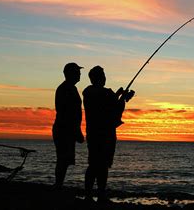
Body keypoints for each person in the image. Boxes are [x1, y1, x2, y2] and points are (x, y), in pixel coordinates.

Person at [83, 66, 134, 204]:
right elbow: (114, 108)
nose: (105, 78)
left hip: (93, 133)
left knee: (94, 164)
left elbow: (107, 104)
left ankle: (89, 195)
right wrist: (123, 99)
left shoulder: (88, 92)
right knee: (102, 164)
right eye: (103, 75)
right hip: (105, 134)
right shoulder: (105, 93)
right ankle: (100, 194)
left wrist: (118, 96)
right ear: (100, 77)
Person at [52, 62, 85, 189]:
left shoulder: (71, 88)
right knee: (63, 159)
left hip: (67, 129)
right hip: (64, 129)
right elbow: (66, 113)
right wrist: (76, 130)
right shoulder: (65, 89)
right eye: (77, 72)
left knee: (64, 160)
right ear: (71, 74)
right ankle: (58, 185)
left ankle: (58, 185)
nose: (80, 74)